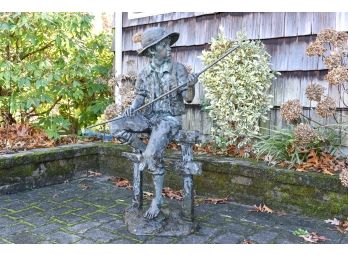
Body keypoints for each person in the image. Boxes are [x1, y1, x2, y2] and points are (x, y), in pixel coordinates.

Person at [110, 27, 198, 219]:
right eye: (164, 45)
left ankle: (157, 199)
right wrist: (132, 108)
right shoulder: (144, 73)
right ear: (152, 50)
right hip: (150, 118)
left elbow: (189, 98)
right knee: (115, 125)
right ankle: (145, 151)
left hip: (168, 120)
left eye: (169, 44)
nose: (169, 48)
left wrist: (190, 85)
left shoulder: (178, 69)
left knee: (152, 155)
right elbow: (140, 97)